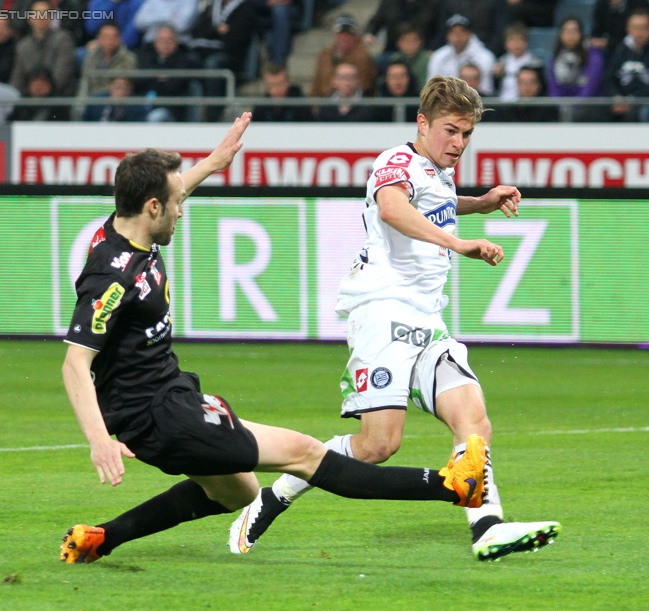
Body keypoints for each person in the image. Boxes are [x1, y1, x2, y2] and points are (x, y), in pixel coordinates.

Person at [59, 112, 489, 564]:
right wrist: (100, 439)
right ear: (152, 207)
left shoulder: (125, 223)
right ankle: (449, 486)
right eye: (175, 201)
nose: (181, 208)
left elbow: (174, 188)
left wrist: (215, 161)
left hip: (171, 393)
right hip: (160, 415)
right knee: (305, 454)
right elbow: (75, 364)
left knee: (237, 492)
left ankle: (101, 538)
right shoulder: (113, 276)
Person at [229, 76, 561, 562]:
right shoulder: (397, 161)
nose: (459, 143)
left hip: (429, 321)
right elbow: (392, 208)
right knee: (377, 446)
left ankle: (487, 527)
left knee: (473, 421)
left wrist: (479, 203)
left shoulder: (438, 172)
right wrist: (459, 243)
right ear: (422, 123)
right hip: (383, 312)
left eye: (467, 134)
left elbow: (435, 205)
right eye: (451, 130)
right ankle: (271, 499)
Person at [603, 7, 649, 122]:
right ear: (628, 29)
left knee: (634, 115)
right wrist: (617, 97)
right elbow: (609, 79)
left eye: (644, 27)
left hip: (648, 102)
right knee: (595, 112)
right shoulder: (621, 49)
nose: (639, 32)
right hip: (621, 100)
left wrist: (633, 100)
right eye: (635, 27)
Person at [9, 0, 78, 96]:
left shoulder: (63, 39)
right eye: (37, 14)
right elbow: (17, 78)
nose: (41, 18)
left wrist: (43, 88)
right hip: (28, 99)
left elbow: (62, 74)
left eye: (45, 14)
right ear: (30, 18)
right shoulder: (22, 45)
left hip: (58, 97)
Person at [136, 24, 200, 123]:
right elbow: (139, 82)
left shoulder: (184, 60)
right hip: (144, 107)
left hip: (172, 111)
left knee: (156, 117)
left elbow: (174, 86)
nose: (165, 44)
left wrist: (153, 77)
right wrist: (161, 77)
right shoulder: (145, 58)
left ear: (176, 42)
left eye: (169, 40)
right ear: (155, 42)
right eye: (162, 40)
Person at [310, 14, 377, 98]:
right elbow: (317, 84)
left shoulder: (363, 56)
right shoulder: (325, 55)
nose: (345, 37)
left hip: (352, 103)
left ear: (356, 36)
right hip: (324, 104)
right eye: (341, 33)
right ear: (335, 35)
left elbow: (364, 86)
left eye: (349, 34)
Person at [427, 14, 495, 95]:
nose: (457, 37)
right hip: (445, 103)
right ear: (447, 35)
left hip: (476, 101)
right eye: (453, 32)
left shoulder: (485, 57)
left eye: (462, 32)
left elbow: (486, 90)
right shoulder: (438, 56)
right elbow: (431, 88)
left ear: (470, 34)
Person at [547, 16, 604, 100]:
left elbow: (591, 86)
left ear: (581, 33)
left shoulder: (593, 55)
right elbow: (553, 87)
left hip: (588, 105)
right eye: (567, 31)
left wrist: (575, 107)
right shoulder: (556, 56)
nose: (570, 35)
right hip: (562, 106)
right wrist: (560, 106)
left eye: (575, 31)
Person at [79, 21, 138, 95]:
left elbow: (120, 86)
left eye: (114, 36)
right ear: (98, 38)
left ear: (120, 38)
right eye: (106, 36)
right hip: (91, 101)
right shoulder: (90, 57)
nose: (110, 40)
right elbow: (84, 83)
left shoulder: (129, 58)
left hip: (114, 100)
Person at [363, 0, 440, 55]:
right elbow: (376, 20)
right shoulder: (389, 2)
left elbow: (439, 29)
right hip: (392, 49)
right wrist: (369, 33)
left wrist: (432, 48)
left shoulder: (432, 3)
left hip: (423, 50)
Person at [493, 62, 560, 121]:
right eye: (523, 82)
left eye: (531, 82)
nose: (527, 86)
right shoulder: (508, 111)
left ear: (539, 85)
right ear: (517, 84)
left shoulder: (549, 110)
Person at [493, 22, 540, 101]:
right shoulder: (501, 62)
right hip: (504, 102)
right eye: (512, 40)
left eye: (520, 40)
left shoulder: (535, 63)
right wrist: (496, 76)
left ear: (527, 42)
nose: (517, 44)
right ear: (506, 44)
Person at [387, 23, 431, 91]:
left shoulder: (428, 59)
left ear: (421, 41)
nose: (410, 44)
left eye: (414, 40)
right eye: (405, 40)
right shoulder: (394, 59)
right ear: (398, 42)